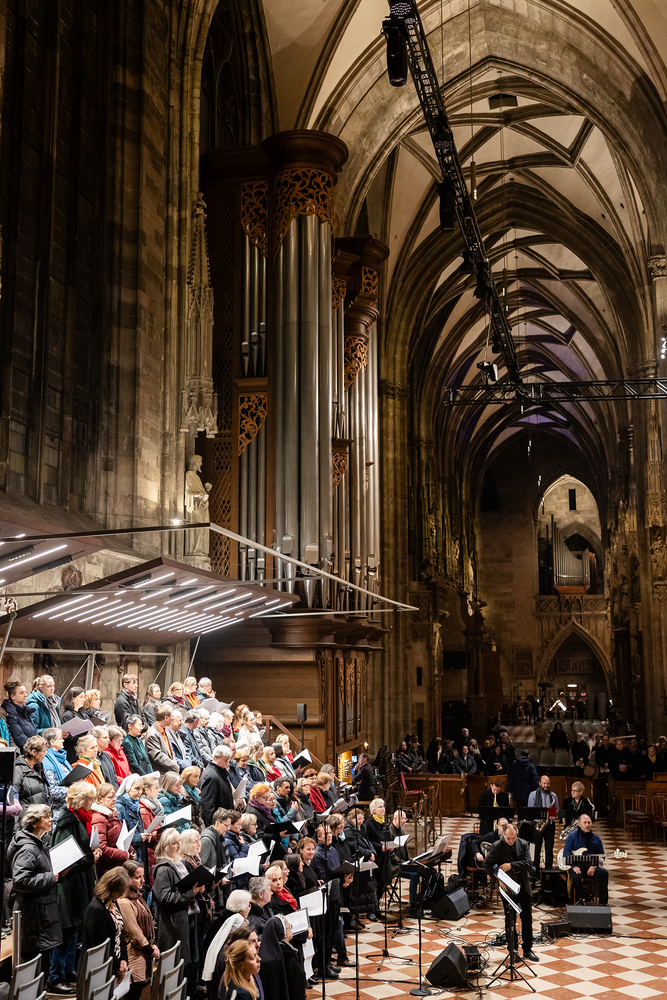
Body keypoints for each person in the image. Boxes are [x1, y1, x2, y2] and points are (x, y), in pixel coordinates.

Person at [51, 781, 103, 990]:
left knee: (74, 931)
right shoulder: (68, 822)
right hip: (69, 886)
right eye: (90, 799)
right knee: (66, 931)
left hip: (79, 883)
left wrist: (91, 854)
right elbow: (65, 859)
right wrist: (90, 857)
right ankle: (55, 977)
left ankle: (68, 969)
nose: (93, 803)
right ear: (82, 800)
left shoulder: (80, 819)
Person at [8, 804, 62, 983]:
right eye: (46, 816)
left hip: (41, 912)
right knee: (33, 967)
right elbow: (20, 880)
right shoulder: (28, 849)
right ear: (35, 822)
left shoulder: (37, 844)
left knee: (41, 967)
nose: (51, 819)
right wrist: (49, 878)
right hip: (34, 914)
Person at [152, 828, 205, 997]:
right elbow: (165, 898)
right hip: (173, 924)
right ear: (165, 846)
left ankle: (189, 990)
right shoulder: (163, 869)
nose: (178, 846)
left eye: (179, 842)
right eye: (174, 843)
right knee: (177, 964)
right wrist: (191, 893)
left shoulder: (179, 863)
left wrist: (197, 889)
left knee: (189, 961)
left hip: (187, 918)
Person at [483, 823, 539, 963]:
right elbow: (487, 865)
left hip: (523, 886)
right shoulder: (497, 846)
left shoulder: (523, 844)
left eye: (513, 838)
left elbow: (528, 863)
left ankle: (527, 949)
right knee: (510, 920)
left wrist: (511, 866)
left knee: (527, 919)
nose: (511, 841)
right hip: (508, 888)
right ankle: (513, 950)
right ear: (503, 835)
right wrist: (498, 878)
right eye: (508, 838)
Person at [118, 860, 159, 1000]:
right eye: (138, 877)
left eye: (143, 876)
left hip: (142, 951)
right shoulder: (124, 901)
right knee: (133, 992)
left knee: (139, 989)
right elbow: (133, 930)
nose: (143, 880)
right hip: (132, 954)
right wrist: (149, 947)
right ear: (127, 879)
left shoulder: (137, 896)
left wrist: (152, 944)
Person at [82, 867, 131, 982]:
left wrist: (124, 959)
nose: (121, 894)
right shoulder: (96, 909)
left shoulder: (113, 902)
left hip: (114, 965)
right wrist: (117, 966)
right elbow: (100, 945)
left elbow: (120, 933)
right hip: (99, 970)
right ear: (110, 887)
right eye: (119, 891)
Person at [563, 813, 608, 904]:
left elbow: (602, 856)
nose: (587, 825)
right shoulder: (572, 836)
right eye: (585, 823)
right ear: (579, 824)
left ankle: (603, 903)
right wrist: (573, 866)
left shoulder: (596, 839)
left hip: (591, 867)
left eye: (589, 823)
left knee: (604, 873)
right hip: (577, 867)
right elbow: (566, 853)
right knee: (577, 877)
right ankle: (580, 901)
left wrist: (594, 866)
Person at [259, 915, 306, 1000]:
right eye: (289, 927)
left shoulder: (262, 954)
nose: (291, 929)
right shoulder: (288, 958)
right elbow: (298, 989)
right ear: (284, 933)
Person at [92, 783, 130, 874]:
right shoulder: (99, 818)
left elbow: (122, 837)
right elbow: (101, 848)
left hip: (117, 865)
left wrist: (131, 850)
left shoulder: (113, 814)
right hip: (108, 869)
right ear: (100, 799)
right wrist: (124, 854)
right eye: (110, 797)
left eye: (114, 796)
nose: (114, 800)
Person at [527, 774, 559, 873]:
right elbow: (530, 811)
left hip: (550, 825)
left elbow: (557, 809)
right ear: (540, 783)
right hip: (538, 825)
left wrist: (553, 814)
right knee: (536, 849)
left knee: (549, 849)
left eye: (548, 784)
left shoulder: (553, 796)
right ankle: (535, 872)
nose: (546, 786)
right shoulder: (533, 795)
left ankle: (548, 871)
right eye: (544, 783)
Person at [363, 797, 394, 897]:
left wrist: (391, 844)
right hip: (376, 858)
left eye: (383, 806)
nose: (383, 809)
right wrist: (381, 847)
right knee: (376, 884)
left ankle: (379, 902)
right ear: (373, 810)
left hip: (385, 858)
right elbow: (367, 841)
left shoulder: (385, 822)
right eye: (380, 807)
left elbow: (388, 836)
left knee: (383, 884)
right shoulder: (368, 824)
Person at [14, 734, 52, 808]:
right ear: (34, 752)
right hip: (28, 814)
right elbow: (14, 798)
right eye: (43, 751)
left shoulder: (39, 768)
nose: (45, 754)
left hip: (41, 813)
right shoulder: (18, 769)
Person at [42, 727, 72, 819]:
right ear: (52, 742)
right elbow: (51, 790)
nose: (63, 740)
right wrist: (73, 790)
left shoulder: (62, 759)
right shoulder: (46, 762)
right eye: (60, 738)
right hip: (57, 812)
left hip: (67, 807)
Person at [116, 774, 149, 855]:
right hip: (129, 852)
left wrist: (145, 833)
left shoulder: (135, 804)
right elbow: (119, 835)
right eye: (137, 788)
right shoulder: (119, 807)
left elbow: (137, 827)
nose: (140, 792)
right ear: (128, 788)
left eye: (141, 789)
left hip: (139, 849)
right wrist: (138, 837)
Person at [201, 745, 235, 824]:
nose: (227, 763)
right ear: (217, 757)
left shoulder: (218, 772)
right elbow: (208, 805)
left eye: (228, 760)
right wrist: (213, 826)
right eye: (225, 760)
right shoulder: (211, 776)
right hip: (217, 824)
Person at [138, 773, 164, 878]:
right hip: (150, 852)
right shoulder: (143, 809)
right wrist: (161, 833)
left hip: (156, 849)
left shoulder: (156, 803)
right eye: (156, 787)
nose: (159, 790)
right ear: (147, 790)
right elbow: (147, 834)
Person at [145, 703, 180, 774]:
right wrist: (174, 766)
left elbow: (171, 751)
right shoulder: (152, 734)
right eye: (172, 716)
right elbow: (158, 756)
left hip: (170, 771)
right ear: (166, 718)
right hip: (161, 774)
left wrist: (174, 764)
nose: (173, 718)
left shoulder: (165, 729)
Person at [3, 679, 38, 749]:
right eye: (21, 693)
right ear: (12, 696)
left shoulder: (26, 712)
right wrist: (36, 747)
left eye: (25, 692)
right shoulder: (10, 714)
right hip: (24, 751)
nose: (25, 695)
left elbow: (34, 733)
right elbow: (18, 737)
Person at [59, 686, 89, 763]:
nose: (83, 699)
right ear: (72, 699)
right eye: (81, 697)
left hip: (82, 750)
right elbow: (67, 736)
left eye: (84, 697)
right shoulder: (67, 715)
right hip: (72, 751)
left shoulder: (83, 715)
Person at [181, 764, 204, 830]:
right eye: (195, 776)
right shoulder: (181, 793)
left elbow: (199, 815)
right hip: (188, 829)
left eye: (198, 776)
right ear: (187, 777)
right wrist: (198, 830)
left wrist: (203, 829)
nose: (198, 779)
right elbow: (185, 818)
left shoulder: (198, 792)